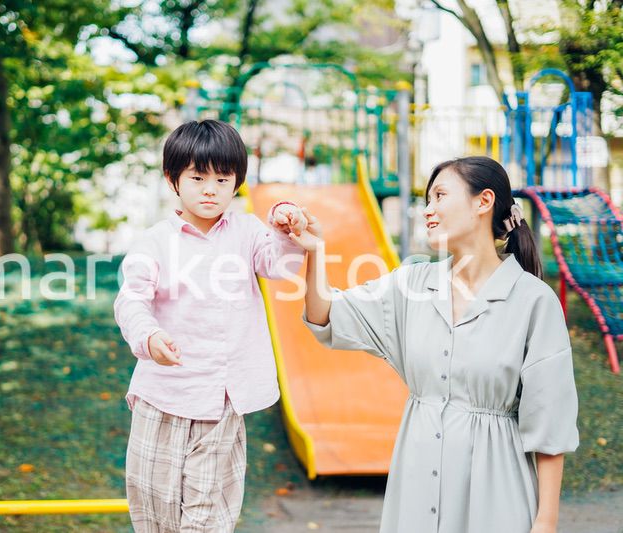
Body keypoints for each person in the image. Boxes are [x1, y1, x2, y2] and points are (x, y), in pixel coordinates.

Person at [291, 156, 579, 533]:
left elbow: (549, 422)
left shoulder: (533, 301)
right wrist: (315, 251)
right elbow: (325, 314)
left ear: (483, 201)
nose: (427, 210)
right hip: (416, 487)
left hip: (497, 493)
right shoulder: (410, 287)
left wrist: (546, 520)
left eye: (439, 196)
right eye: (426, 200)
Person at [114, 119, 308, 532]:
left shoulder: (248, 231)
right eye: (198, 177)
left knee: (207, 518)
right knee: (155, 511)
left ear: (236, 182)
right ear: (173, 180)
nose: (210, 189)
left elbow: (280, 264)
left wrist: (286, 227)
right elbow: (131, 300)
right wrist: (148, 336)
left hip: (223, 399)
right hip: (163, 396)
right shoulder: (154, 241)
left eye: (223, 179)